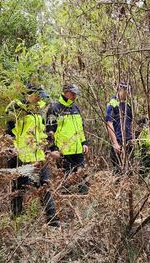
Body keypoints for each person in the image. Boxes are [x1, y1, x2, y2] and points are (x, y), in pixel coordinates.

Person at [5, 83, 60, 226]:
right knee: (18, 191)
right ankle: (16, 222)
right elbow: (9, 133)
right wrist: (12, 148)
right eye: (37, 96)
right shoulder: (16, 108)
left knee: (45, 186)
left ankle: (53, 222)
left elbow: (41, 133)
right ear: (29, 95)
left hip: (39, 157)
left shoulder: (37, 112)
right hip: (21, 158)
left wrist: (50, 148)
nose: (39, 100)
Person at [46, 84, 89, 194]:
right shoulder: (55, 109)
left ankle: (84, 206)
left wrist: (84, 143)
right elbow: (50, 131)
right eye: (72, 93)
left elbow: (80, 128)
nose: (75, 95)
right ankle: (66, 207)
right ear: (65, 92)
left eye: (76, 93)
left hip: (78, 150)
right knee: (66, 183)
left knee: (82, 180)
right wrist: (53, 149)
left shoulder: (75, 108)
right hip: (63, 152)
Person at [105, 82, 134, 173]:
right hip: (118, 140)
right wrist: (115, 143)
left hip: (128, 141)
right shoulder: (112, 103)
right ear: (121, 90)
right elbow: (109, 123)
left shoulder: (127, 105)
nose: (128, 94)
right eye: (126, 92)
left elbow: (131, 122)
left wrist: (132, 138)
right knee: (118, 170)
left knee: (128, 170)